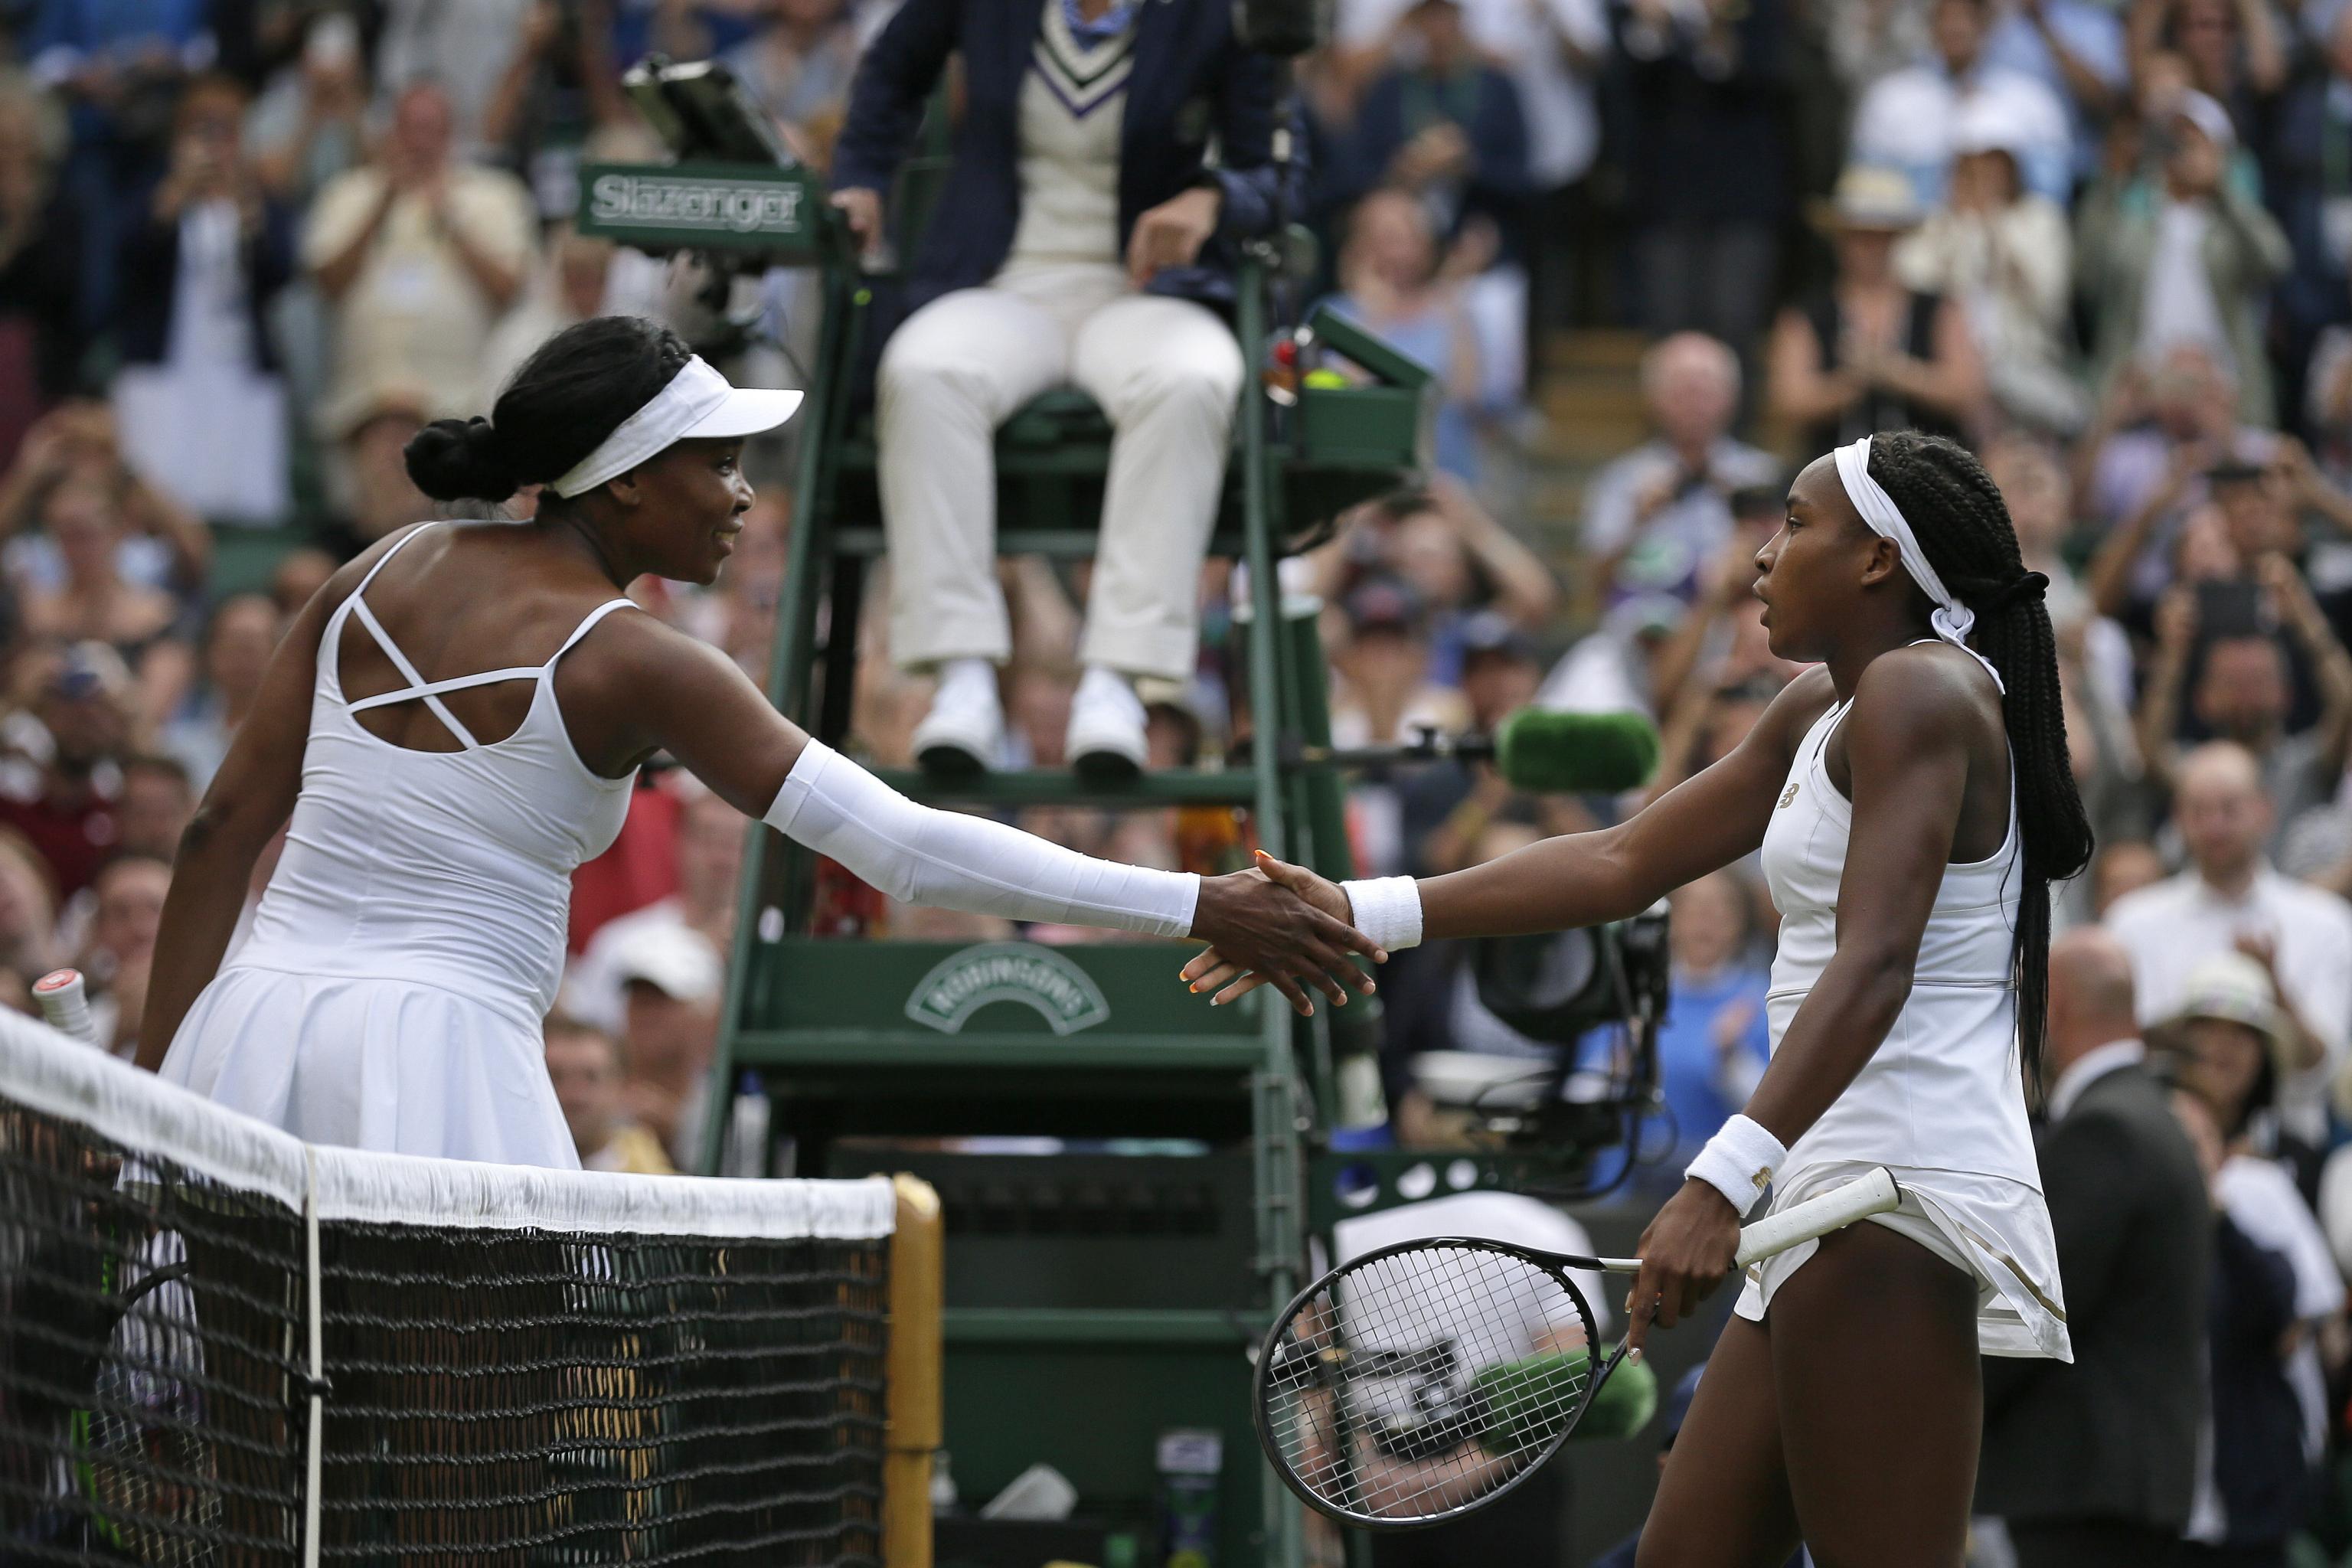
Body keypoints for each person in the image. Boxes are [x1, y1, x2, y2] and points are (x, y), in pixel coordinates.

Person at [137, 316, 1375, 1168]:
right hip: (443, 1062)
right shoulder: (639, 656)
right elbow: (900, 844)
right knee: (461, 1490)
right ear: (624, 481)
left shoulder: (376, 570)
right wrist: (1193, 903)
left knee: (257, 1468)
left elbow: (217, 832)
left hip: (248, 1037)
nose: (743, 493)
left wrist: (151, 1089)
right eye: (717, 464)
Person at [1187, 429, 2094, 1561]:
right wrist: (1364, 911)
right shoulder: (1829, 705)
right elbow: (1622, 861)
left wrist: (1721, 1178)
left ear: (1877, 560)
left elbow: (1876, 965)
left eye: (1797, 524)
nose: (1761, 556)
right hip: (1827, 1194)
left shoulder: (1921, 689)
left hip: (1891, 1199)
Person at [830, 0, 1287, 779]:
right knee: (923, 369)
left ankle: (1118, 685)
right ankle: (964, 678)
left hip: (1146, 292)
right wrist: (861, 179)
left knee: (1191, 378)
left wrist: (1209, 201)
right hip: (1007, 282)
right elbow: (889, 72)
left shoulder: (1219, 13)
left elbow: (1281, 172)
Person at [1975, 927, 2208, 1566]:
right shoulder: (2154, 1116)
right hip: (2121, 1485)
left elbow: (2033, 1314)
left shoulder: (2104, 1129)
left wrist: (1933, 1407)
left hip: (2082, 1487)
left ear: (2061, 1005)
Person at [2105, 742, 2352, 1147]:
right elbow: (2123, 1052)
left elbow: (2321, 1071)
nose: (2215, 826)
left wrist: (2275, 989)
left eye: (2230, 809)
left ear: (2264, 811)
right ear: (2177, 819)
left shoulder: (2326, 922)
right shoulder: (2132, 921)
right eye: (2199, 811)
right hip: (2161, 1141)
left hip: (2291, 1144)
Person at [1769, 167, 1984, 456]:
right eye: (1858, 236)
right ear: (1840, 239)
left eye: (1880, 237)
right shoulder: (1807, 313)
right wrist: (1853, 381)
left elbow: (1967, 391)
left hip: (1930, 476)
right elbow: (1789, 402)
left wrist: (1891, 371)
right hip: (1832, 481)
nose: (1869, 248)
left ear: (1896, 240)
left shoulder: (1939, 307)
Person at [543, 1011, 674, 1174]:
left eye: (591, 1078)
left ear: (621, 1087)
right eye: (556, 1077)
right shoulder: (508, 1164)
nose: (575, 1095)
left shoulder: (657, 1187)